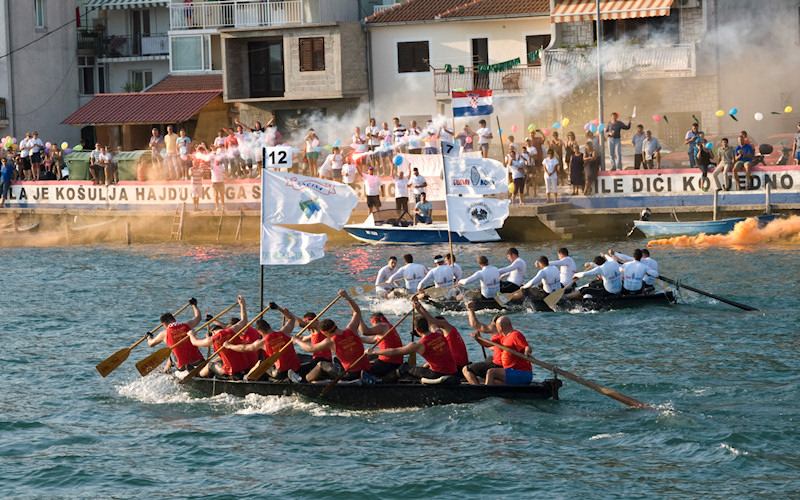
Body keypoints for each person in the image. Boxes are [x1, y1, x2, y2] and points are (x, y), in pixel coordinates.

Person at [292, 290, 373, 383]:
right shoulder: (351, 329)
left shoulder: (330, 341)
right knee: (336, 360)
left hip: (350, 374)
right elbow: (357, 312)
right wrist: (347, 297)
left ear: (326, 333)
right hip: (367, 369)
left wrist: (297, 340)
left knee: (320, 365)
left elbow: (310, 348)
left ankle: (302, 381)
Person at [368, 314, 457, 382]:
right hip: (452, 370)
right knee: (418, 368)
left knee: (403, 369)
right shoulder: (439, 333)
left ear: (417, 330)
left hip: (436, 374)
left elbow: (393, 352)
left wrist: (374, 352)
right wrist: (419, 307)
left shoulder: (419, 345)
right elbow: (432, 322)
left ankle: (381, 382)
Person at [188, 296, 255, 378]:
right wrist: (242, 305)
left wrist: (191, 334)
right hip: (245, 366)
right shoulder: (232, 330)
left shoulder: (212, 339)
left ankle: (199, 375)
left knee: (210, 365)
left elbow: (194, 342)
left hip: (231, 371)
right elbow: (244, 320)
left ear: (212, 332)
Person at [223, 312, 300, 382]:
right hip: (295, 366)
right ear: (269, 326)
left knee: (260, 363)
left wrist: (229, 346)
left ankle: (246, 378)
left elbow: (243, 348)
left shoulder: (262, 342)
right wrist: (278, 309)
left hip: (279, 372)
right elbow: (291, 319)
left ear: (261, 332)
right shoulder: (284, 331)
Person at [146, 297, 204, 372]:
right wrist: (194, 305)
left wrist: (149, 337)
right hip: (199, 361)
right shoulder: (187, 325)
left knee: (172, 353)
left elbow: (151, 344)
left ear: (164, 325)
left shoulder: (164, 333)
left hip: (183, 366)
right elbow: (198, 317)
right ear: (174, 320)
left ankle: (165, 372)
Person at [472, 316, 532, 386]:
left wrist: (527, 352)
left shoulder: (515, 335)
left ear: (500, 327)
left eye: (496, 327)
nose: (496, 329)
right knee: (494, 380)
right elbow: (487, 343)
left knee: (491, 372)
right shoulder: (502, 337)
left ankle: (486, 392)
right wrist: (477, 339)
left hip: (521, 373)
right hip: (510, 371)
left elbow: (527, 347)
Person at [413, 297, 469, 371]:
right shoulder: (443, 333)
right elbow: (430, 323)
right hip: (458, 363)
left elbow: (430, 320)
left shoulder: (446, 326)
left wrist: (419, 308)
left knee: (426, 366)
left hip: (457, 365)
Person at [352, 304, 404, 379]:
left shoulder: (382, 326)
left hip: (388, 363)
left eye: (372, 325)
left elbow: (365, 331)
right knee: (365, 357)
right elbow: (373, 339)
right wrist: (357, 339)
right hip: (394, 361)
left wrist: (358, 316)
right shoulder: (388, 326)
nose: (373, 327)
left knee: (361, 368)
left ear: (375, 322)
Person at [462, 302, 503, 384]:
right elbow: (493, 347)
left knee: (466, 369)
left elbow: (475, 325)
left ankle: (477, 388)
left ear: (495, 324)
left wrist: (471, 310)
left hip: (500, 365)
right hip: (505, 363)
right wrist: (480, 341)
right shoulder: (507, 333)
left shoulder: (496, 328)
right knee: (489, 358)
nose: (490, 326)